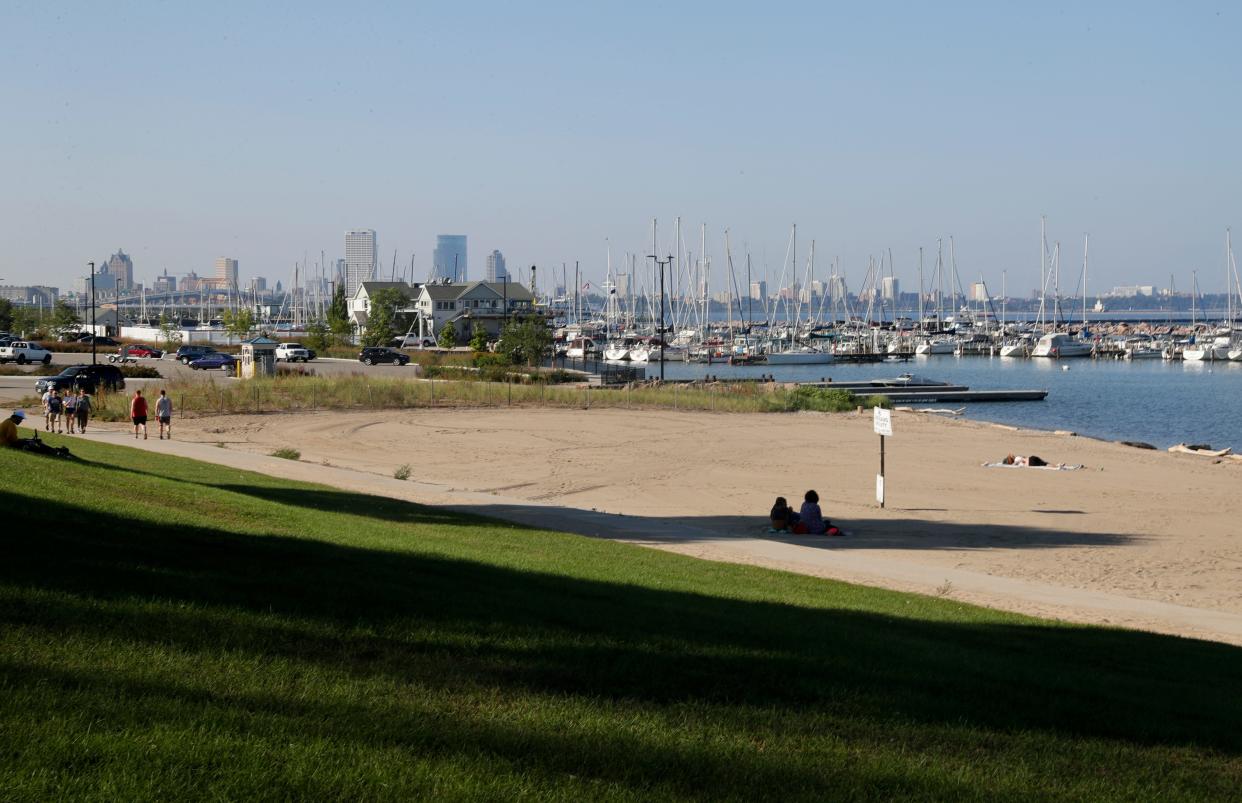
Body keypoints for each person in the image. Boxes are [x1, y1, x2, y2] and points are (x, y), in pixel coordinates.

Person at [1, 409, 69, 456]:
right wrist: (28, 440)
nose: (21, 421)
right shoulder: (11, 425)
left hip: (5, 443)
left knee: (31, 442)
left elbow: (13, 439)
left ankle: (54, 450)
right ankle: (56, 451)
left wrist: (27, 439)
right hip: (5, 444)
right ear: (16, 417)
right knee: (35, 445)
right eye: (21, 419)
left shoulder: (7, 421)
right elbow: (13, 441)